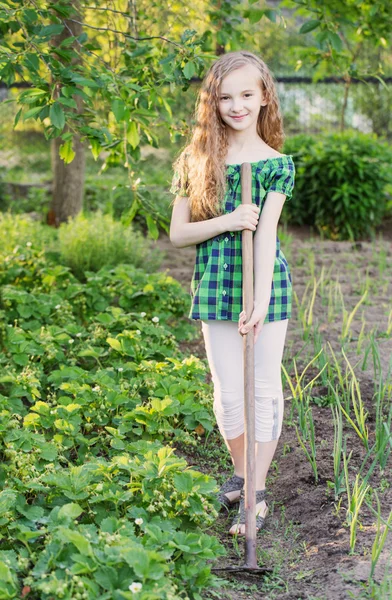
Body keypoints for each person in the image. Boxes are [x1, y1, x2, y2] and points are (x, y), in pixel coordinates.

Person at [169, 50, 295, 536]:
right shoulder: (198, 159)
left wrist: (260, 300)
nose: (237, 105)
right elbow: (179, 234)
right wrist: (229, 220)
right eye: (226, 97)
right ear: (212, 102)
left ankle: (256, 490)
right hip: (216, 287)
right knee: (227, 396)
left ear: (264, 96)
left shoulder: (275, 164)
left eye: (247, 94)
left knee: (262, 390)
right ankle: (240, 473)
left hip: (266, 287)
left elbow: (266, 238)